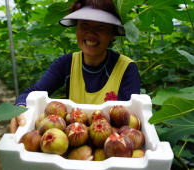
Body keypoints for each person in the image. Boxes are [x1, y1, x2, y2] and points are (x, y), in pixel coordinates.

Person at [10, 0, 141, 133]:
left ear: (112, 34)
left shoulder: (126, 69)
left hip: (112, 143)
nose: (91, 33)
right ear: (76, 28)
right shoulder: (65, 64)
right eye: (85, 24)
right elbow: (33, 93)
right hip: (74, 137)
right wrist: (20, 107)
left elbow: (128, 121)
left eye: (101, 27)